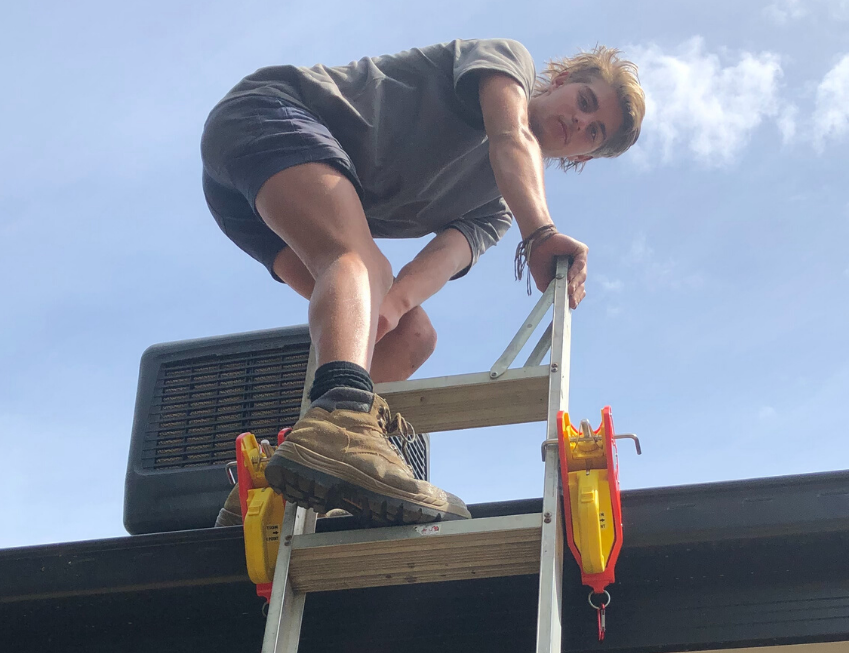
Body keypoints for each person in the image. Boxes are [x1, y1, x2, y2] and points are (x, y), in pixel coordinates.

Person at [202, 39, 645, 526]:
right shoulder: (504, 61)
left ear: (585, 157)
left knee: (413, 335)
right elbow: (509, 136)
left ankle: (283, 476)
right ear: (560, 82)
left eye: (594, 132)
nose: (581, 123)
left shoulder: (496, 209)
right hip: (269, 115)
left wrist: (389, 309)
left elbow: (419, 278)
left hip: (243, 203)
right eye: (585, 101)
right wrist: (540, 233)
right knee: (354, 261)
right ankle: (342, 418)